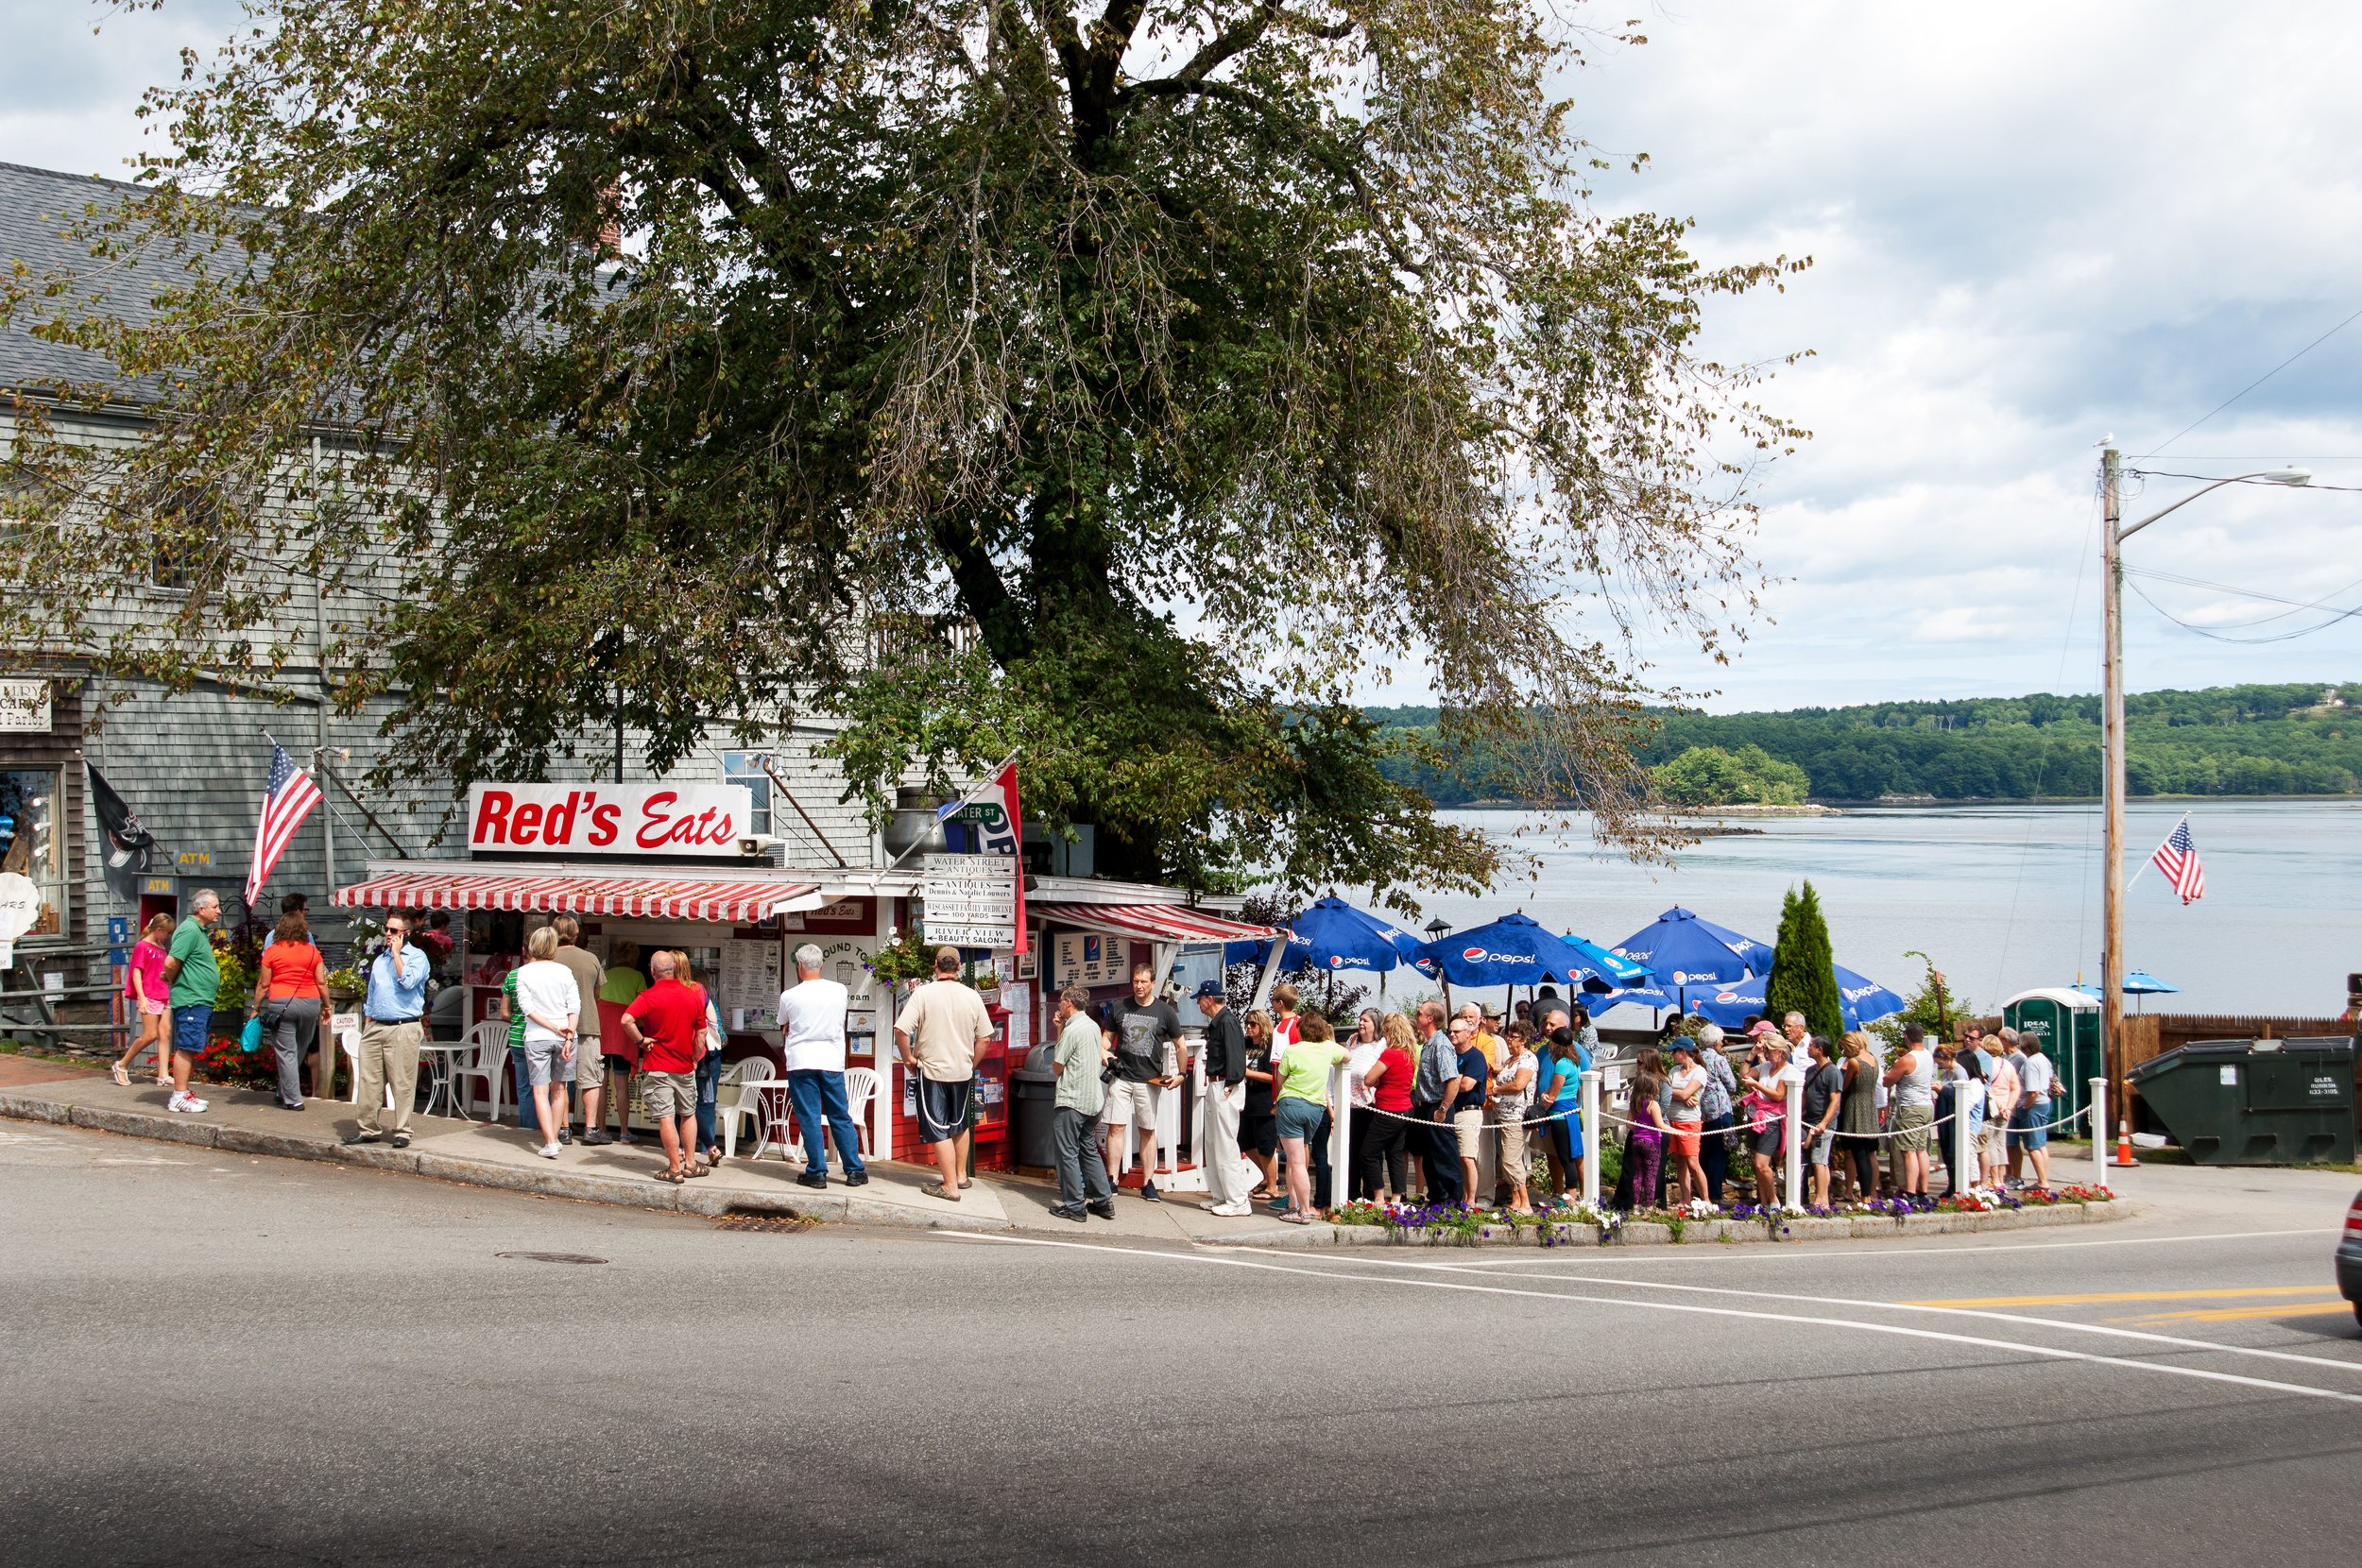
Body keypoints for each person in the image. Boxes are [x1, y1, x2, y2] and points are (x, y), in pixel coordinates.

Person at [895, 946, 995, 1201]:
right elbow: (984, 1038)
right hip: (962, 1072)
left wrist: (908, 1059)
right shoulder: (972, 996)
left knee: (938, 1128)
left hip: (932, 1071)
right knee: (959, 1124)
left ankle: (950, 1186)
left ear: (935, 966)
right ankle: (960, 1176)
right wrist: (971, 1063)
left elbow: (902, 1031)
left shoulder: (924, 993)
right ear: (959, 968)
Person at [777, 942, 867, 1189]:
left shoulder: (789, 995)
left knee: (810, 1117)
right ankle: (855, 1170)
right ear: (821, 965)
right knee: (840, 1116)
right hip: (831, 1059)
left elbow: (783, 1023)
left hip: (801, 1059)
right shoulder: (839, 990)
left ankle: (817, 1172)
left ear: (800, 966)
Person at [1100, 960, 1185, 1202]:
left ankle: (1148, 1182)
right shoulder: (1120, 1007)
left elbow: (1180, 1045)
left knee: (1147, 1130)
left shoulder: (1165, 1012)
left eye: (1143, 982)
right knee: (1115, 1126)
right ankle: (1112, 1179)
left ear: (1153, 984)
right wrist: (1104, 1052)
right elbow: (1106, 1038)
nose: (1138, 986)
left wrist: (1181, 1074)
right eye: (1135, 981)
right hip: (1121, 1076)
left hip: (1149, 1079)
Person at [344, 910, 429, 1147]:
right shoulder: (380, 960)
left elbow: (408, 982)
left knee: (402, 1082)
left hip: (403, 1027)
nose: (388, 934)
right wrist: (368, 1022)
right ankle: (368, 1129)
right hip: (377, 1025)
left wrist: (396, 954)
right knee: (370, 1080)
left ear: (406, 933)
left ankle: (402, 1131)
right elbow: (372, 993)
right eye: (387, 929)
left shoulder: (417, 957)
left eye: (394, 931)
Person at [619, 950, 704, 1183]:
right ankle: (691, 1163)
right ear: (674, 969)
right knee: (688, 1113)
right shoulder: (693, 995)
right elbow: (701, 1033)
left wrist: (640, 1040)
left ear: (652, 971)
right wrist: (695, 1057)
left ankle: (674, 1169)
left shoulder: (648, 996)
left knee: (666, 1117)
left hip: (658, 1065)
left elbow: (626, 1020)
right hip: (685, 1066)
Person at [1046, 984, 1116, 1221]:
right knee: (1089, 1150)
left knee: (1067, 1153)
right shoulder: (1093, 1026)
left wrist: (1060, 1031)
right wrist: (1060, 1028)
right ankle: (1103, 1201)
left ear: (1069, 1004)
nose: (1059, 1005)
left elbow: (1057, 1066)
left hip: (1072, 1100)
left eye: (1061, 1001)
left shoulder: (1072, 1030)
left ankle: (1075, 1205)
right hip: (1092, 1099)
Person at [1273, 1010, 1349, 1223]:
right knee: (1297, 1160)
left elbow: (1281, 1080)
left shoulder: (1293, 1050)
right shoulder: (1328, 1048)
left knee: (1296, 1161)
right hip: (1316, 1108)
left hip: (1292, 1104)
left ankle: (1304, 1210)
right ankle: (1291, 1206)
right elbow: (1347, 1056)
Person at [512, 926, 581, 1160]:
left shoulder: (524, 972)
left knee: (540, 1091)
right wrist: (569, 1034)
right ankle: (554, 1138)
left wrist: (552, 1027)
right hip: (566, 1037)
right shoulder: (564, 971)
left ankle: (550, 1141)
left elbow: (527, 1009)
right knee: (559, 1089)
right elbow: (574, 1006)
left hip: (537, 1036)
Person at [252, 909, 328, 1111]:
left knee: (286, 1052)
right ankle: (283, 1090)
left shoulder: (273, 951)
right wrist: (327, 1006)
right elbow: (321, 982)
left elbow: (263, 984)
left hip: (282, 1004)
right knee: (300, 1047)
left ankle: (293, 1099)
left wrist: (255, 1007)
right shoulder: (313, 951)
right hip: (311, 1003)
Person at [156, 890, 223, 1116]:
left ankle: (183, 1093)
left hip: (199, 998)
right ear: (201, 909)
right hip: (191, 999)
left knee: (191, 1046)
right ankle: (178, 1097)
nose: (219, 911)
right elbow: (171, 961)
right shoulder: (189, 930)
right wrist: (174, 980)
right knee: (186, 1047)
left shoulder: (198, 930)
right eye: (215, 907)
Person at [1194, 980, 1255, 1216]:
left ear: (1209, 1000)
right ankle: (1221, 1196)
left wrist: (1231, 1083)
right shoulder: (1220, 1022)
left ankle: (1238, 1200)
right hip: (1218, 1083)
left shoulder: (1227, 1022)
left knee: (1226, 1144)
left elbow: (1237, 1056)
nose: (1199, 1003)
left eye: (1200, 999)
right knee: (1213, 1143)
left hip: (1225, 1085)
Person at [550, 917, 609, 1144]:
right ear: (576, 934)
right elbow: (596, 995)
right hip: (587, 1024)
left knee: (560, 1080)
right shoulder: (591, 959)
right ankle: (591, 1128)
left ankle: (563, 1128)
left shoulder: (549, 958)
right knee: (591, 1079)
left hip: (556, 1026)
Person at [112, 912, 177, 1087]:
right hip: (150, 993)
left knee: (165, 1033)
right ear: (158, 929)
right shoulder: (143, 946)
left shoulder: (161, 946)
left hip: (164, 993)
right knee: (151, 1034)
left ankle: (163, 1074)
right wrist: (141, 997)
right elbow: (136, 971)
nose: (168, 936)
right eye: (167, 932)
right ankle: (122, 1064)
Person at [1409, 999, 1463, 1206]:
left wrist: (1443, 1109)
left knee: (1444, 1155)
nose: (1416, 1015)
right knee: (1430, 1158)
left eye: (1419, 1013)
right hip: (1426, 1106)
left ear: (1430, 1018)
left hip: (1438, 1106)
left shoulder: (1441, 1045)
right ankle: (1437, 1199)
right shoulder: (1428, 1044)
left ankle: (1452, 1200)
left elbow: (1452, 1081)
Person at [1360, 1014, 1416, 1203]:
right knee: (1395, 1154)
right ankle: (1397, 1198)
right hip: (1405, 1109)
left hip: (1388, 1110)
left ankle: (1378, 1195)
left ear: (1389, 1031)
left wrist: (1377, 1081)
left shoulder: (1391, 1054)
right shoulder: (1409, 1054)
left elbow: (1368, 1079)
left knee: (1368, 1152)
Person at [594, 941, 647, 1143]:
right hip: (623, 1031)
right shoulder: (637, 977)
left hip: (602, 1028)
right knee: (621, 1084)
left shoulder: (606, 974)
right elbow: (642, 1009)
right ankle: (624, 1132)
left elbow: (596, 998)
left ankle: (600, 1129)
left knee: (601, 1083)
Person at [1739, 1033, 1801, 1205]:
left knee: (1761, 1164)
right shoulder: (1765, 1066)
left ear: (1779, 1052)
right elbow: (1744, 1076)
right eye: (1765, 1050)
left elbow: (1779, 1095)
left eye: (1768, 1051)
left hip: (1773, 1120)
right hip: (1756, 1117)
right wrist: (1752, 1054)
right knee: (1756, 1162)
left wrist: (1757, 1085)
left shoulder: (1789, 1070)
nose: (1765, 1054)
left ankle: (1774, 1200)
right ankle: (1763, 1200)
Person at [1487, 1020, 1539, 1212]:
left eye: (1513, 1036)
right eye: (1508, 1035)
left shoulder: (1528, 1060)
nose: (1508, 1039)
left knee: (1511, 1159)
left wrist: (1496, 1090)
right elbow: (1497, 1070)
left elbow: (1519, 1085)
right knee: (1505, 1159)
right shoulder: (1511, 1060)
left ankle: (1525, 1202)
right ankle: (1515, 1198)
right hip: (1502, 1114)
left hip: (1516, 1116)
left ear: (1524, 1040)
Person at [1536, 1023, 1590, 1205]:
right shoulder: (1574, 1062)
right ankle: (1572, 1197)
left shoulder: (1561, 1064)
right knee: (1571, 1156)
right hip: (1571, 1114)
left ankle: (1569, 1199)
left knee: (1565, 1157)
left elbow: (1553, 1095)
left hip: (1560, 1115)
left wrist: (1544, 1097)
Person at [1883, 1022, 1935, 1198]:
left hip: (1910, 1108)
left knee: (1908, 1151)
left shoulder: (1907, 1059)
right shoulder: (1928, 1055)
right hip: (1926, 1105)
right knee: (1922, 1149)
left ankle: (1910, 1191)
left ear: (1907, 1037)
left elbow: (1887, 1081)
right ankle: (1923, 1190)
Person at [1446, 1013, 1490, 1203]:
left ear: (1468, 1033)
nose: (1452, 1035)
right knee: (1454, 1157)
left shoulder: (1476, 1057)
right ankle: (1458, 1197)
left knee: (1467, 1156)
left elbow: (1466, 1085)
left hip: (1469, 1111)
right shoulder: (1450, 1055)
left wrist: (1453, 1081)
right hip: (1451, 1110)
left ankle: (1471, 1200)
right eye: (1450, 1032)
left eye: (1456, 1031)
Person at [1344, 1009, 1386, 1203]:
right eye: (1360, 1019)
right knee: (1351, 1151)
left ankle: (1371, 1193)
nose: (1361, 1024)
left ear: (1375, 1025)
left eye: (1366, 1021)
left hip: (1369, 1105)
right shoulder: (1352, 1040)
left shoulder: (1380, 1045)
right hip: (1349, 1105)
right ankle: (1351, 1193)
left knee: (1369, 1153)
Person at [1695, 1023, 1739, 1204]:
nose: (1722, 1043)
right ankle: (1715, 1194)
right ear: (1715, 1042)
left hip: (1703, 1112)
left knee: (1705, 1152)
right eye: (1720, 1040)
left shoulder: (1697, 1058)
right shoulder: (1718, 1060)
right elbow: (1732, 1085)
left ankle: (1702, 1193)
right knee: (1719, 1154)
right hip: (1720, 1111)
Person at [1620, 1048, 1669, 1212]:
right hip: (1651, 1137)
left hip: (1642, 1135)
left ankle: (1638, 1205)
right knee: (1647, 1174)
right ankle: (1647, 1206)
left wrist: (1639, 1128)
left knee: (1641, 1174)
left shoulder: (1662, 1083)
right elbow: (1659, 1123)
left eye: (1640, 1062)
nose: (1637, 1065)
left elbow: (1629, 1122)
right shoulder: (1649, 1101)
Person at [1837, 1031, 1882, 1202]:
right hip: (1869, 1106)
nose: (1844, 1053)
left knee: (1859, 1154)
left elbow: (1845, 1085)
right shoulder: (1874, 1060)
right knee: (1869, 1152)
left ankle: (1865, 1197)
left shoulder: (1855, 1062)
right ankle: (1870, 1193)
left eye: (1844, 1049)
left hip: (1855, 1106)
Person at [1800, 1035, 1845, 1208]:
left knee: (1819, 1160)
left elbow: (1835, 1101)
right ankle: (1823, 1197)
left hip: (1823, 1123)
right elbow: (1805, 1094)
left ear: (1820, 1049)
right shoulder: (1810, 1070)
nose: (1808, 1048)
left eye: (1811, 1046)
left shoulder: (1833, 1072)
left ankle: (1821, 1199)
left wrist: (1824, 1123)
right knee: (1817, 1160)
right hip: (1808, 1120)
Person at [1664, 1036, 1709, 1207]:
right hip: (1671, 1121)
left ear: (1683, 1052)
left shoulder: (1699, 1072)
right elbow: (1665, 1091)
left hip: (1689, 1122)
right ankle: (1685, 1199)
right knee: (1679, 1162)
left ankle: (1706, 1201)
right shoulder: (1674, 1070)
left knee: (1692, 1162)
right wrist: (1682, 1095)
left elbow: (1685, 1094)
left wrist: (1681, 1095)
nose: (1672, 1054)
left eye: (1674, 1051)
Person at [1240, 1009, 1280, 1197]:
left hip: (1264, 1102)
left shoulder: (1270, 1045)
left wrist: (1248, 1073)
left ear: (1262, 1025)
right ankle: (1267, 1176)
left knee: (1266, 1145)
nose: (1248, 1027)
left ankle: (1273, 1186)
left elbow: (1273, 1076)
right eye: (1247, 1023)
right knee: (1244, 1142)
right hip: (1247, 1101)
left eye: (1253, 1024)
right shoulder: (1245, 1043)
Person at [2011, 1031, 2058, 1188]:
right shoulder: (2044, 1059)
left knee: (2032, 1147)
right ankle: (2043, 1178)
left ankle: (2043, 1182)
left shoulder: (2031, 1063)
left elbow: (2033, 1091)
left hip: (2034, 1106)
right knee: (2041, 1144)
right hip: (2045, 1103)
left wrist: (2025, 1107)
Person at [1983, 1029, 2022, 1187]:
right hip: (2005, 1109)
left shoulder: (1986, 1065)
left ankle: (1995, 1179)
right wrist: (2008, 1107)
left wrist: (2000, 1105)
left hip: (1992, 1108)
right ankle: (2001, 1178)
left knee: (1989, 1143)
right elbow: (2016, 1088)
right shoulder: (2008, 1065)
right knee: (2001, 1143)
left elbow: (1985, 1087)